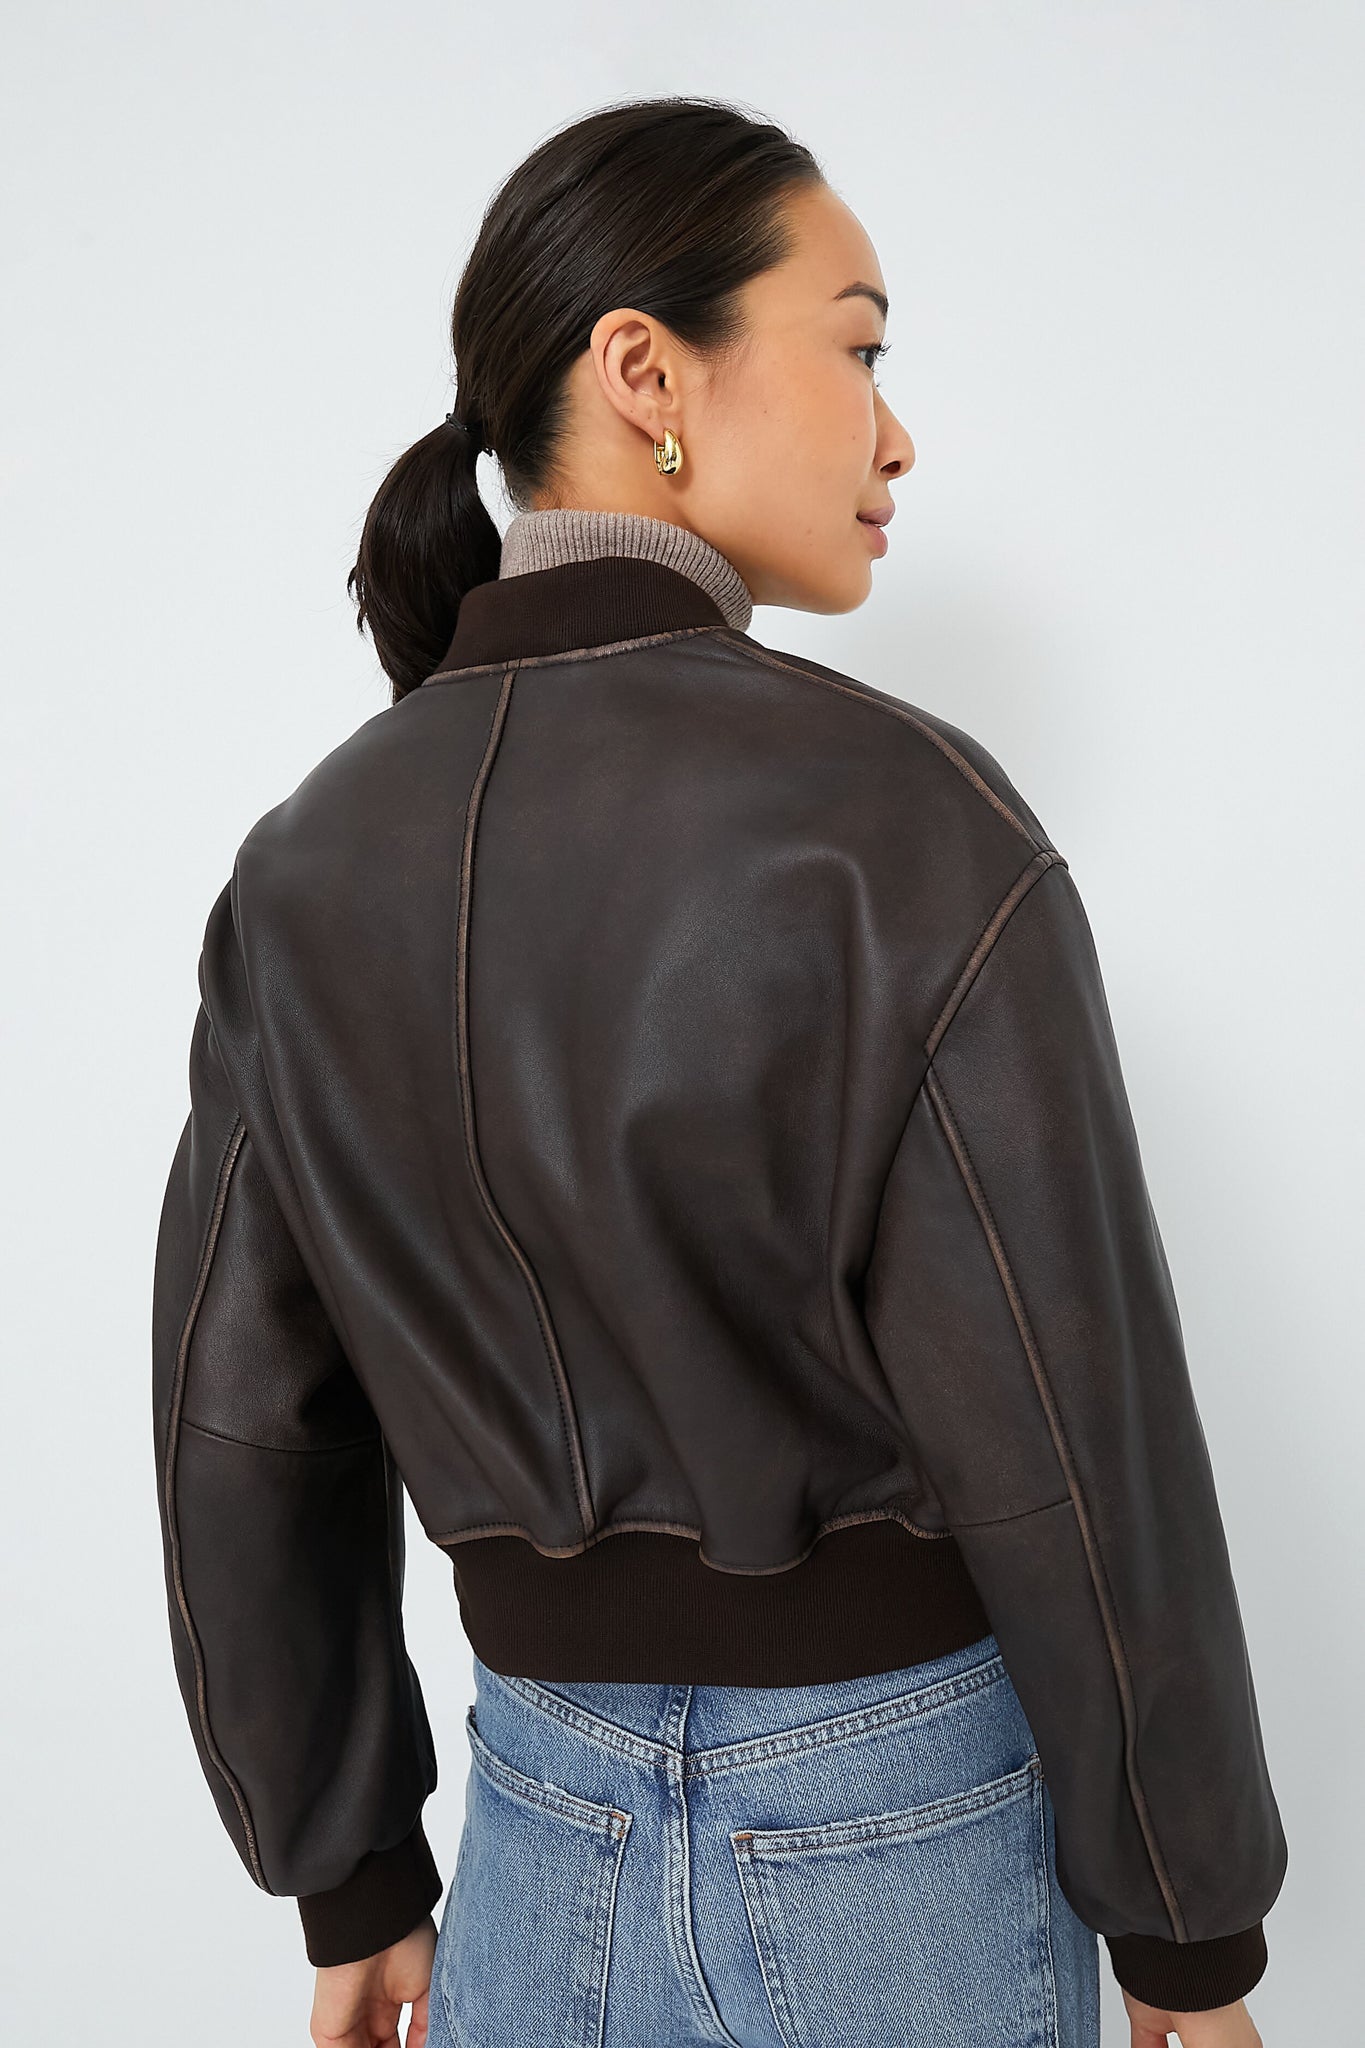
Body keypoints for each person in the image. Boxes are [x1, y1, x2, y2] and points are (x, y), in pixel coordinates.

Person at [150, 94, 1287, 2048]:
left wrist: (353, 1870)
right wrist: (1184, 1929)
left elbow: (237, 1421)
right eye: (857, 347)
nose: (894, 433)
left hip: (537, 1826)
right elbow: (1065, 1425)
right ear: (644, 373)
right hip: (896, 1830)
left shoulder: (306, 861)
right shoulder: (903, 820)